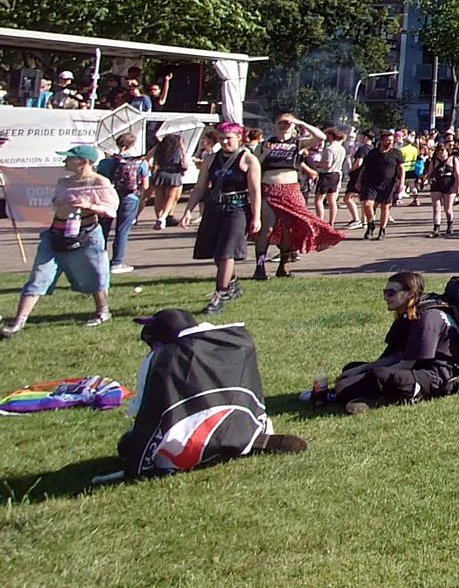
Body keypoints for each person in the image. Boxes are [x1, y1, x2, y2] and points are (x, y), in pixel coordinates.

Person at [117, 308, 306, 478]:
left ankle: (204, 449)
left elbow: (141, 412)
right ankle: (242, 442)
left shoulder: (159, 360)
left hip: (184, 448)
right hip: (238, 426)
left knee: (126, 444)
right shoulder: (234, 344)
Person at [1, 144, 116, 337]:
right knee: (39, 274)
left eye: (69, 158)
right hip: (56, 233)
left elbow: (111, 209)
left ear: (83, 162)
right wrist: (59, 203)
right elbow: (55, 203)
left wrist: (90, 205)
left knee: (94, 274)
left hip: (86, 235)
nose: (64, 161)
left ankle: (102, 311)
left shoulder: (100, 182)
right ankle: (18, 323)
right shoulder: (64, 181)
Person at [332, 271, 459, 415]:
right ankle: (373, 395)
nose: (385, 298)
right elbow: (396, 355)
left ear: (409, 294)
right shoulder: (408, 314)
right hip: (418, 367)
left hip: (438, 376)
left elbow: (406, 365)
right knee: (352, 368)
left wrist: (358, 379)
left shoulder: (427, 319)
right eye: (385, 292)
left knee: (380, 376)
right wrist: (359, 370)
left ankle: (396, 397)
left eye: (391, 293)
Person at [253, 113, 342, 279]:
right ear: (274, 124)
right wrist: (265, 153)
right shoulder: (265, 143)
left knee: (289, 229)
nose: (284, 125)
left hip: (291, 189)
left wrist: (300, 122)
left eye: (288, 123)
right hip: (269, 188)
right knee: (267, 229)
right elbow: (255, 166)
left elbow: (320, 137)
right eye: (281, 122)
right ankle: (260, 267)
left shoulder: (298, 143)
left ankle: (283, 266)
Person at [186, 123, 260, 314]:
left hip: (237, 209)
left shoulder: (249, 160)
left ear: (240, 137)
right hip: (215, 208)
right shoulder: (211, 159)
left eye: (229, 138)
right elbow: (200, 187)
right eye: (221, 138)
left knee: (227, 252)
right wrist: (188, 210)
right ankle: (232, 282)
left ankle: (220, 294)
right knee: (216, 252)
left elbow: (255, 191)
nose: (225, 141)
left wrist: (256, 217)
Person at [100, 130, 149, 275]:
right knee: (122, 230)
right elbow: (145, 185)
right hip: (130, 198)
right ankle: (117, 262)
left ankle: (98, 259)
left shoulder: (107, 162)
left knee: (103, 229)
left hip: (109, 197)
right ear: (133, 144)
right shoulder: (140, 162)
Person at [352, 130, 404, 240]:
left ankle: (382, 230)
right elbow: (364, 168)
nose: (389, 142)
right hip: (371, 182)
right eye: (387, 140)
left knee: (385, 207)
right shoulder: (372, 153)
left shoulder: (396, 153)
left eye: (391, 140)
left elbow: (401, 169)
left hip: (389, 184)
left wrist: (402, 183)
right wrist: (358, 181)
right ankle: (371, 224)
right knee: (366, 204)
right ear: (381, 141)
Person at [147, 132, 190, 230]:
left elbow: (147, 157)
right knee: (170, 197)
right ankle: (163, 217)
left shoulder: (159, 147)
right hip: (174, 174)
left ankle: (158, 217)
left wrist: (152, 167)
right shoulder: (179, 149)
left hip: (160, 173)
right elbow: (185, 165)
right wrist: (183, 151)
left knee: (159, 197)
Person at [427, 140, 459, 237]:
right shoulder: (434, 161)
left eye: (443, 150)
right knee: (436, 207)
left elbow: (457, 174)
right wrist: (429, 178)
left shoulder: (453, 160)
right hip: (436, 184)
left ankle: (450, 224)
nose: (441, 152)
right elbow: (429, 173)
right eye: (439, 150)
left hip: (449, 184)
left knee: (448, 208)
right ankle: (436, 227)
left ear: (447, 150)